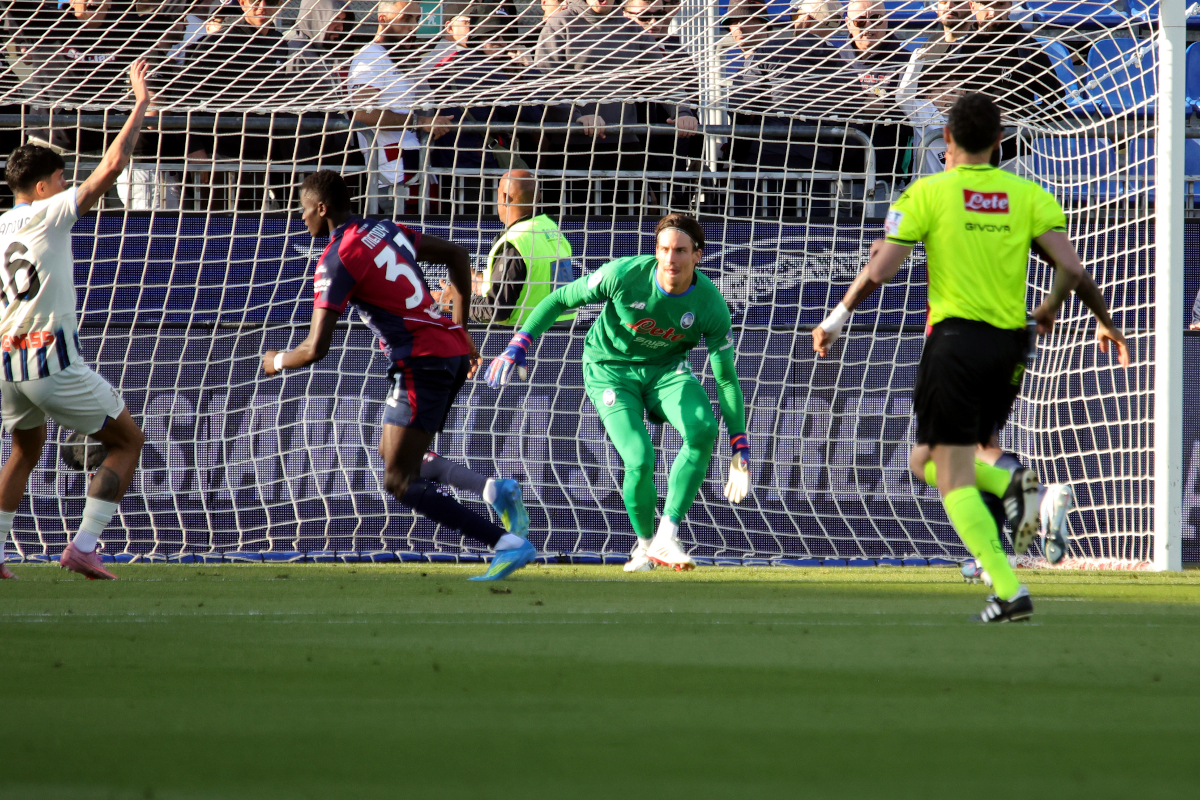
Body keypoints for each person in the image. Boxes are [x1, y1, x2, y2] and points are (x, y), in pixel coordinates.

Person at [813, 94, 1130, 622]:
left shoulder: (929, 192)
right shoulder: (1026, 194)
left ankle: (1013, 547)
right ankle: (1010, 535)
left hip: (955, 343)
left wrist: (836, 316)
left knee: (943, 468)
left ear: (948, 141)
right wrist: (1087, 315)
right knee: (952, 455)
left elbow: (884, 270)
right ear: (1001, 143)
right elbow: (1071, 266)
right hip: (1011, 346)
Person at [261, 170, 536, 582]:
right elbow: (459, 256)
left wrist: (277, 361)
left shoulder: (336, 259)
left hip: (420, 362)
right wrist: (461, 333)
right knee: (398, 455)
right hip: (447, 353)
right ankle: (491, 489)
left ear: (322, 208)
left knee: (397, 478)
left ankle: (505, 543)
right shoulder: (382, 228)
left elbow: (315, 349)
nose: (301, 219)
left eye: (303, 210)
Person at [486, 213, 751, 572]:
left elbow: (727, 381)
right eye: (664, 249)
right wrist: (520, 341)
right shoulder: (623, 274)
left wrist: (740, 444)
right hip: (609, 368)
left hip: (665, 371)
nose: (671, 259)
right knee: (640, 458)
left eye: (680, 251)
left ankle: (667, 535)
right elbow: (561, 299)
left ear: (697, 256)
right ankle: (644, 548)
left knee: (703, 428)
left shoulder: (710, 305)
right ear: (656, 251)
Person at [0, 60, 153, 582]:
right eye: (61, 178)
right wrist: (139, 104)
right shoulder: (51, 212)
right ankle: (84, 546)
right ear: (42, 187)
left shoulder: (1, 227)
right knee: (128, 441)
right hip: (48, 357)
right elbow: (111, 167)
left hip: (6, 360)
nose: (68, 184)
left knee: (25, 449)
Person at [533, 0, 698, 215]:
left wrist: (682, 112)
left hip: (625, 149)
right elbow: (544, 84)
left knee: (628, 236)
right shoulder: (560, 23)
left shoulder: (632, 29)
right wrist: (575, 117)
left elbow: (663, 79)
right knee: (570, 236)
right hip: (573, 151)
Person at [436, 169, 576, 325]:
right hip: (564, 333)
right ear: (538, 198)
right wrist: (483, 282)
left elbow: (496, 310)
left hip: (525, 339)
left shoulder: (516, 241)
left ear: (503, 196)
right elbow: (538, 279)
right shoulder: (551, 229)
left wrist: (452, 301)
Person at [348, 0, 450, 215]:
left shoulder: (395, 59)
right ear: (382, 19)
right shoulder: (371, 57)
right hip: (394, 175)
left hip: (411, 167)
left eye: (417, 19)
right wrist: (420, 122)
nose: (413, 25)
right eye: (406, 18)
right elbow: (363, 113)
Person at [838, 0, 914, 191]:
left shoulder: (907, 62)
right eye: (860, 21)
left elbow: (919, 114)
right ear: (848, 23)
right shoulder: (834, 60)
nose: (869, 27)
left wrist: (886, 107)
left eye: (876, 19)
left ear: (886, 21)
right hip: (837, 179)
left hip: (886, 180)